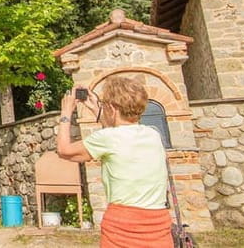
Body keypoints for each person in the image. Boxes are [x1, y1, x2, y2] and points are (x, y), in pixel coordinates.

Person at [56, 76, 171, 247]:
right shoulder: (153, 134)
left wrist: (65, 114)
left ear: (111, 108)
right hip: (158, 224)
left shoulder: (108, 138)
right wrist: (97, 110)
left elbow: (64, 150)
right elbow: (119, 135)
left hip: (123, 225)